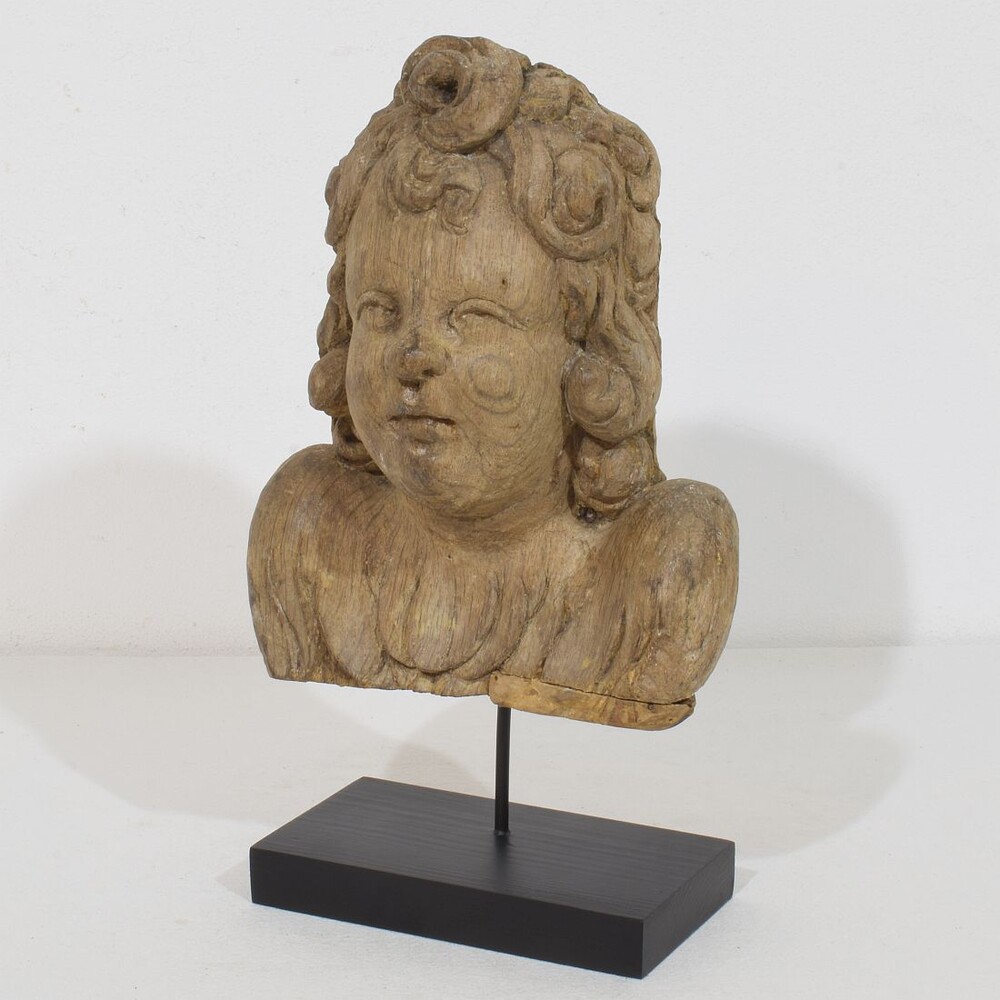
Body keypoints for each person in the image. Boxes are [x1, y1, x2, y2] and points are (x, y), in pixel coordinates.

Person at [248, 36, 738, 730]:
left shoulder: (654, 568)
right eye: (381, 312)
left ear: (584, 342)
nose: (414, 357)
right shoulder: (307, 534)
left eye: (474, 317)